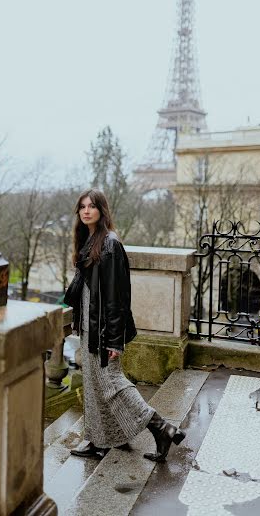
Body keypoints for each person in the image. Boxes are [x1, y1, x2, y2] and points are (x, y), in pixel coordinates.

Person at [64, 188, 185, 462]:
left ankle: (162, 428)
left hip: (103, 331)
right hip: (88, 328)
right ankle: (102, 440)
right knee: (96, 387)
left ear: (101, 210)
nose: (86, 211)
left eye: (91, 206)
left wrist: (114, 340)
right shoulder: (91, 240)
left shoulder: (109, 244)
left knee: (112, 384)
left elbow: (117, 298)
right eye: (82, 206)